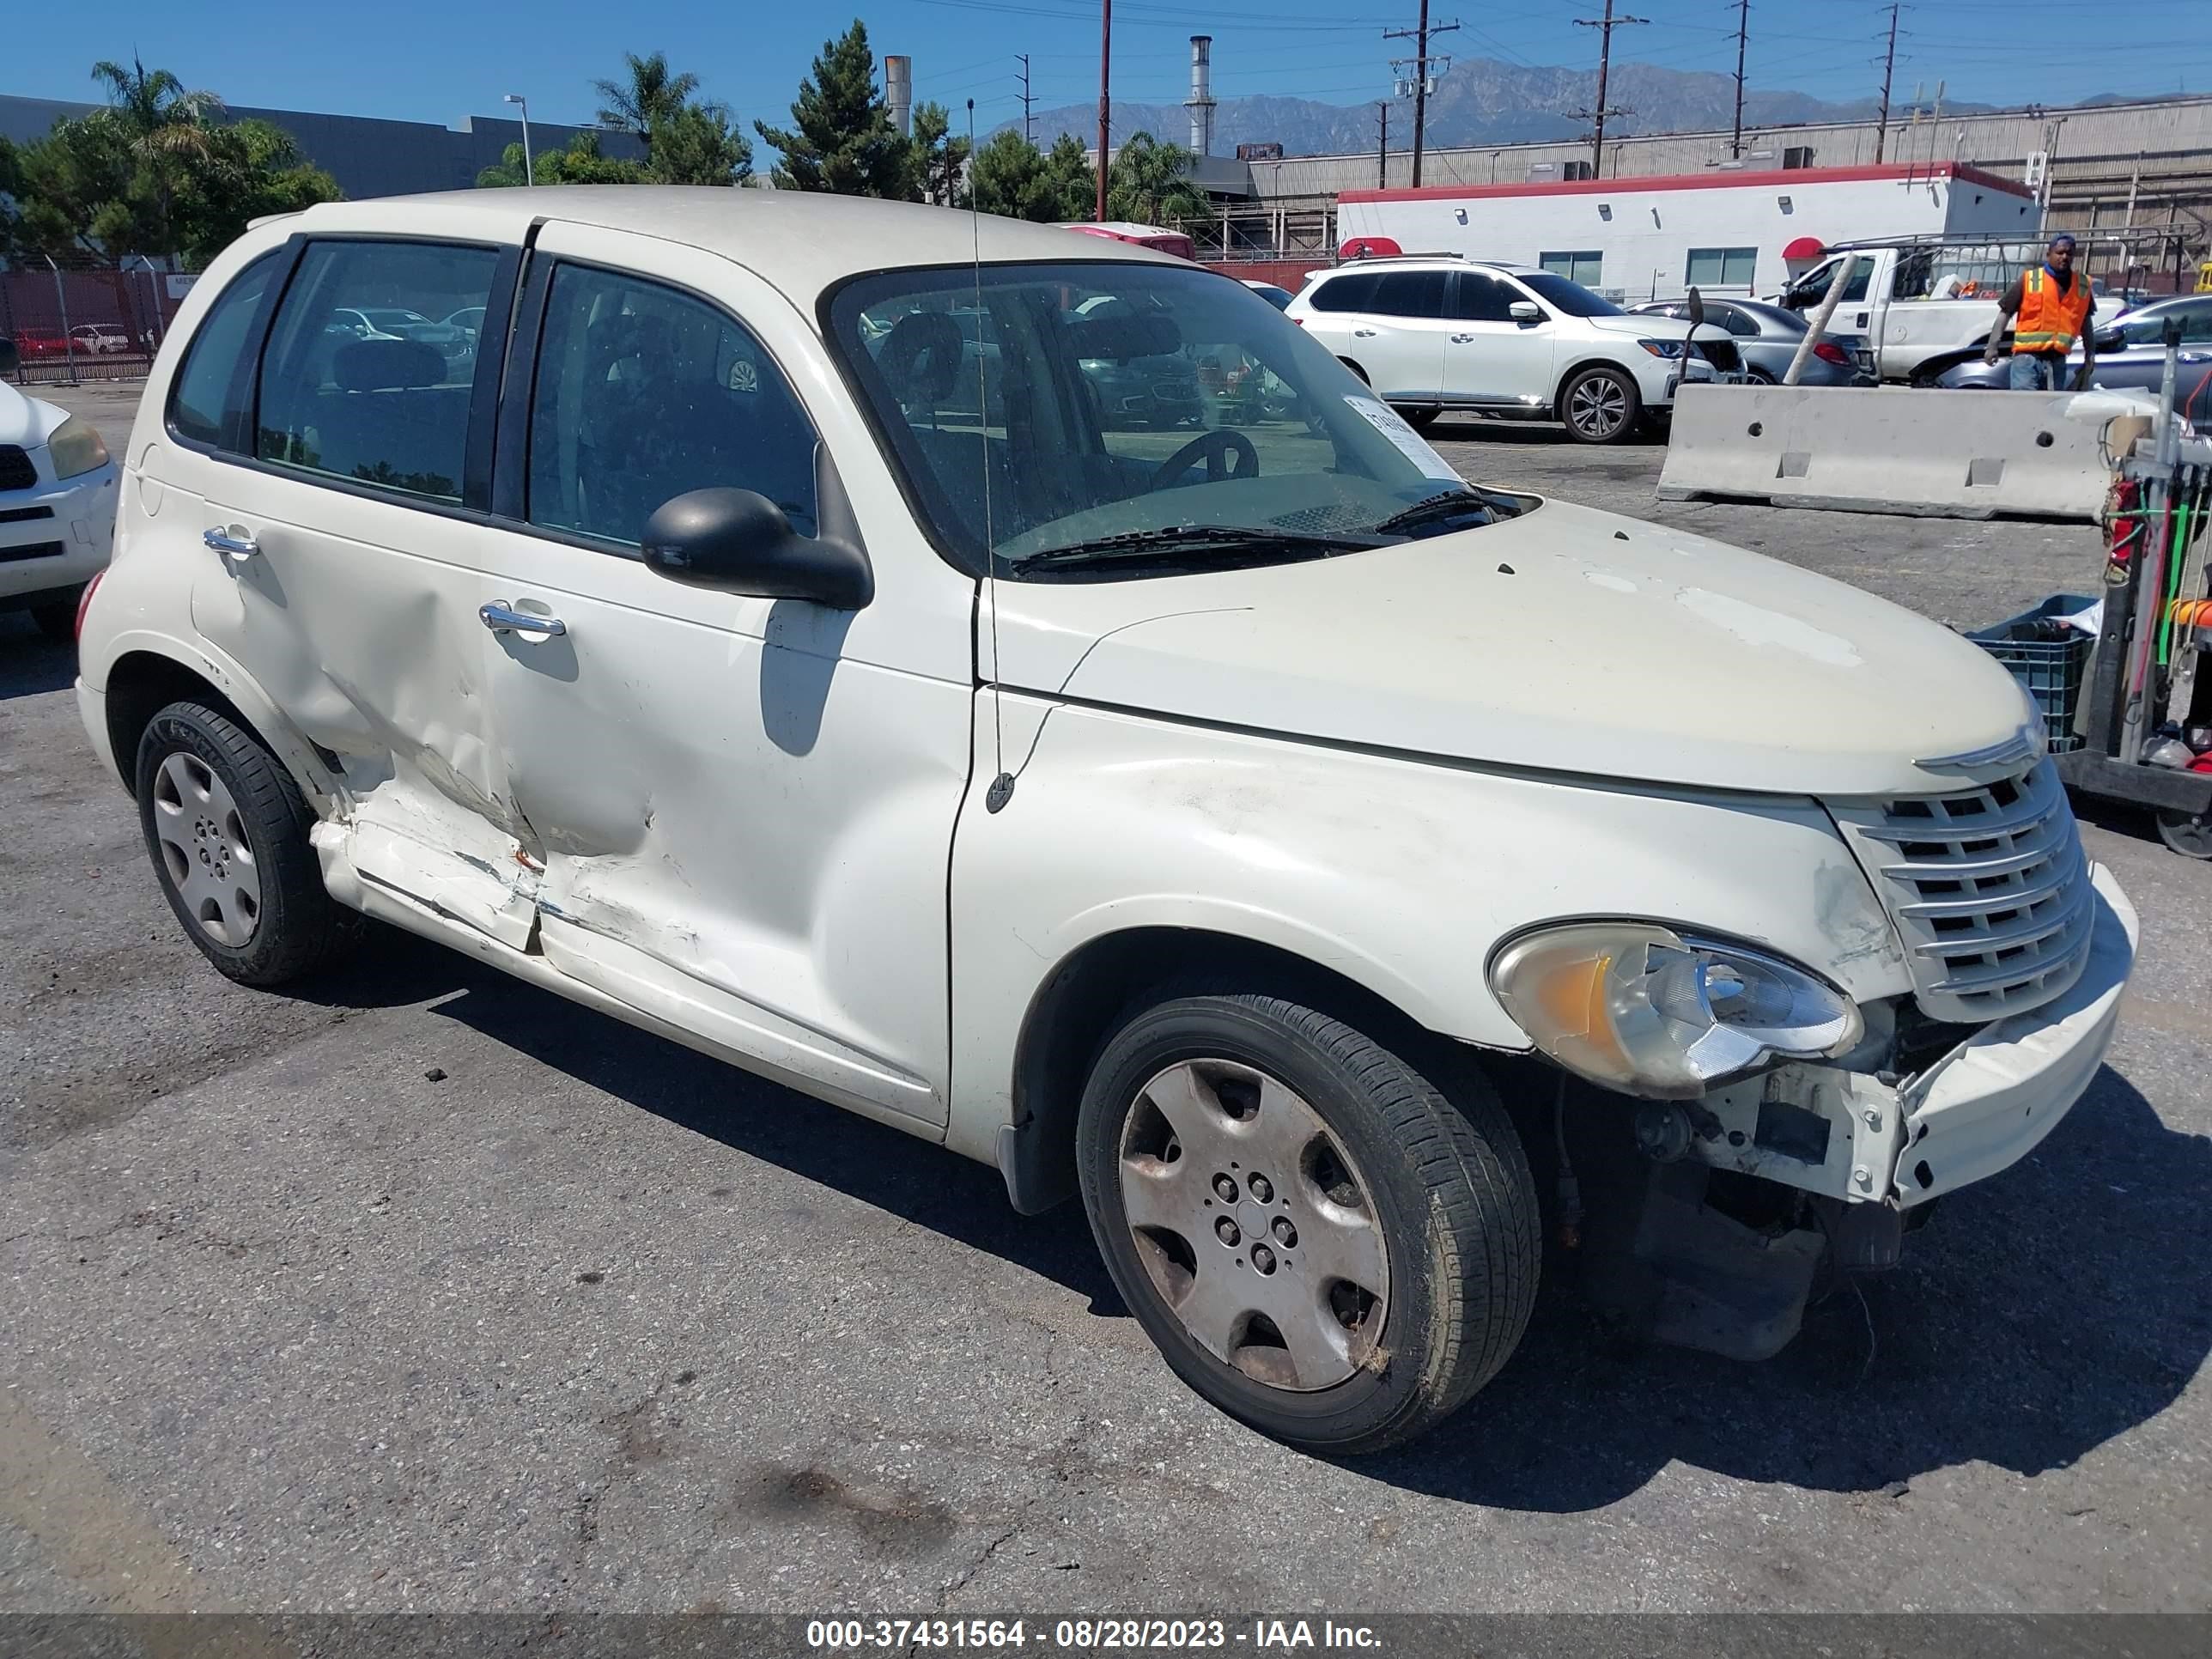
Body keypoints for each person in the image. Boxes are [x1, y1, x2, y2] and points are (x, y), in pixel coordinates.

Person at [1984, 234, 2098, 391]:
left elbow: (2086, 322)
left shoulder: (2083, 285)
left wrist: (2090, 354)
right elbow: (2005, 312)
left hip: (2057, 361)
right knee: (2026, 407)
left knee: (2050, 409)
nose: (2064, 257)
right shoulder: (2030, 279)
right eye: (2060, 252)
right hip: (2027, 360)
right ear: (2049, 254)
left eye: (2069, 253)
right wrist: (1992, 347)